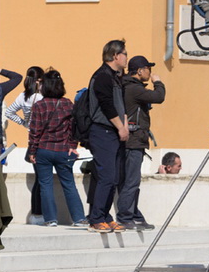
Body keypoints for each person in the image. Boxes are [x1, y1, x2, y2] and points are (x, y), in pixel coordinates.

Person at [28, 70, 87, 227]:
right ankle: (79, 218)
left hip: (44, 149)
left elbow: (34, 131)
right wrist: (73, 146)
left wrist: (32, 151)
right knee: (69, 185)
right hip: (63, 150)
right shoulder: (68, 104)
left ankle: (51, 219)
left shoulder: (39, 105)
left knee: (45, 185)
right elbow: (73, 128)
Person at [85, 39, 130, 233]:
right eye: (125, 54)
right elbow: (106, 105)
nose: (126, 58)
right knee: (106, 176)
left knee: (114, 177)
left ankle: (106, 216)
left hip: (114, 131)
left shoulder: (115, 77)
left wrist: (124, 125)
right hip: (102, 131)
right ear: (115, 55)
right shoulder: (102, 76)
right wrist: (120, 127)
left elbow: (121, 105)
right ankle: (96, 218)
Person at [117, 55, 166, 230]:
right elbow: (159, 96)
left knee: (129, 180)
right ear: (139, 71)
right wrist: (158, 82)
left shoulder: (126, 86)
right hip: (134, 141)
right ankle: (125, 216)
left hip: (130, 140)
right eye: (148, 69)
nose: (150, 72)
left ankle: (134, 214)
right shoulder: (134, 89)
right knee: (131, 180)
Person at [4, 66, 46, 225]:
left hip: (32, 138)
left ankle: (37, 213)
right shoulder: (43, 97)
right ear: (39, 80)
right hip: (45, 139)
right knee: (43, 179)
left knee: (39, 178)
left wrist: (24, 123)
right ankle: (40, 212)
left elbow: (9, 112)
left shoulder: (23, 96)